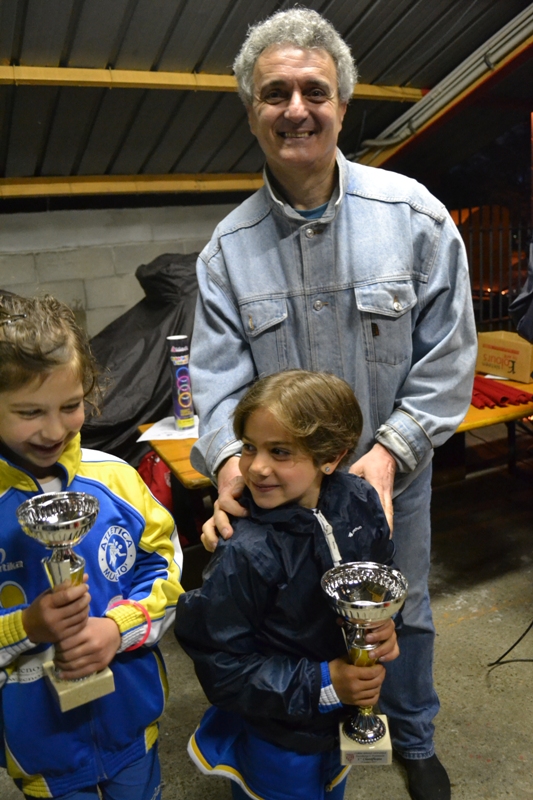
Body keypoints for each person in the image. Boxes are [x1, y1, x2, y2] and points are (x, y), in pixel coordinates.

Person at [188, 8, 478, 800]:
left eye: (314, 91)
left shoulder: (413, 218)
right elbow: (214, 385)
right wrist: (229, 466)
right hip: (285, 502)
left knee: (401, 612)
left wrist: (389, 454)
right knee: (291, 623)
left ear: (342, 106)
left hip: (390, 479)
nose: (296, 109)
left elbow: (449, 357)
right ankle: (312, 739)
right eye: (274, 93)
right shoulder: (225, 255)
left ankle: (412, 735)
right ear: (251, 109)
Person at [175, 369, 399, 800]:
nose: (257, 468)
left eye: (280, 451)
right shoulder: (244, 552)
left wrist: (386, 627)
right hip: (278, 738)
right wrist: (324, 683)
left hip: (342, 720)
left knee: (333, 788)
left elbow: (382, 576)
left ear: (331, 457)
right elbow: (220, 664)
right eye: (249, 447)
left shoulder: (359, 500)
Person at [0, 292, 183, 800]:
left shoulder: (117, 480)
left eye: (71, 406)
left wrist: (117, 628)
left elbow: (165, 570)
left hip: (132, 726)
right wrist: (25, 626)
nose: (54, 429)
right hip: (41, 747)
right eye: (30, 411)